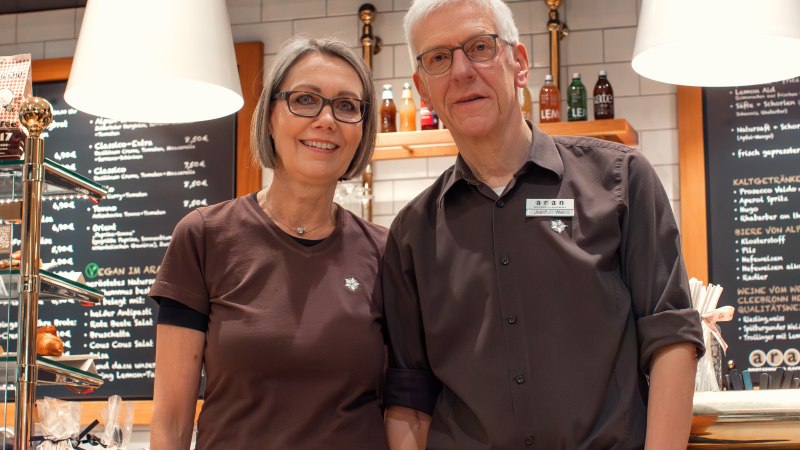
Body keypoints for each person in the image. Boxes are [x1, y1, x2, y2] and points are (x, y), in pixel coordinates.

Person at [382, 1, 705, 449]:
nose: (460, 71)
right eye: (438, 58)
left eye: (479, 47)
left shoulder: (622, 180)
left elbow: (671, 338)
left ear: (518, 63)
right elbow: (410, 395)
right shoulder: (410, 234)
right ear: (422, 89)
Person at [148, 35, 387, 450]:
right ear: (271, 117)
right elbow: (170, 423)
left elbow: (405, 407)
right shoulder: (204, 236)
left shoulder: (387, 253)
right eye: (306, 99)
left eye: (347, 106)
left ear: (362, 131)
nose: (327, 120)